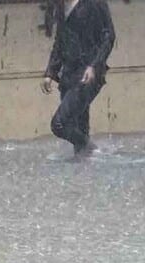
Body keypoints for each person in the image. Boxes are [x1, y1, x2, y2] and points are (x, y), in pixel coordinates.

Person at [42, 0, 115, 157]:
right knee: (79, 127)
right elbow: (60, 41)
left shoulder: (95, 3)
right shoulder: (60, 6)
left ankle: (94, 150)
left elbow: (109, 36)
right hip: (68, 75)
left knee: (59, 124)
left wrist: (94, 65)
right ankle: (85, 167)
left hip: (88, 74)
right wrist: (50, 72)